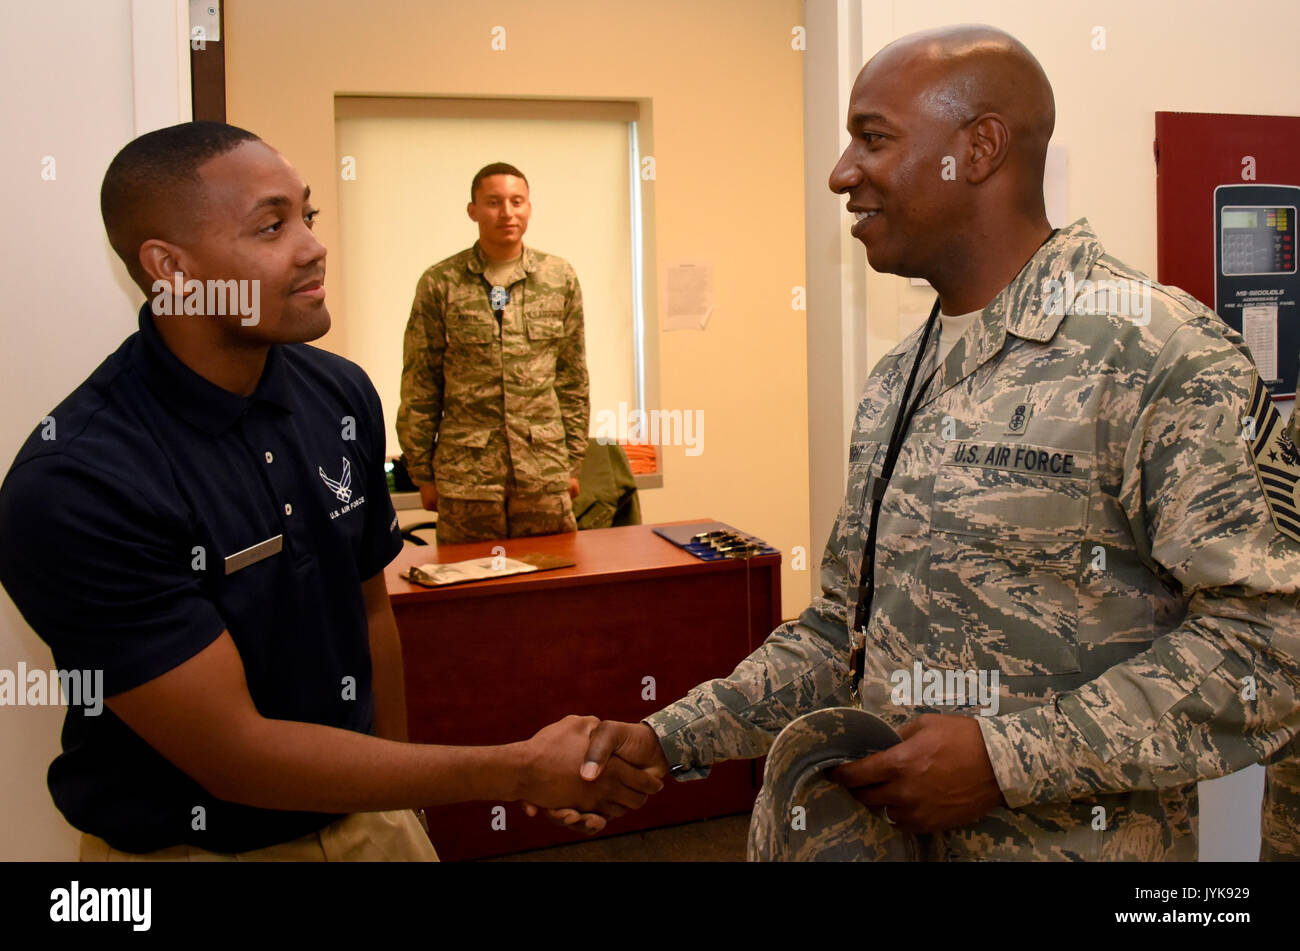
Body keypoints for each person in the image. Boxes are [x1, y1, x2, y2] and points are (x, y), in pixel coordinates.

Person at [542, 25, 1300, 860]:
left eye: (873, 138)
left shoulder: (1159, 353)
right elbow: (843, 630)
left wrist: (1008, 760)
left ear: (978, 148)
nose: (841, 173)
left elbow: (1269, 646)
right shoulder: (902, 374)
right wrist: (668, 737)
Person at [0, 122, 660, 861]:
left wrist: (403, 799)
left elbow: (370, 611)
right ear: (172, 268)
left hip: (367, 825)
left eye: (305, 216)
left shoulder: (338, 393)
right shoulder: (79, 482)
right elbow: (235, 753)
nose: (313, 245)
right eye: (271, 226)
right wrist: (509, 769)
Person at [397, 163, 589, 544]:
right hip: (467, 478)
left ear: (529, 207)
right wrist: (423, 473)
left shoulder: (559, 277)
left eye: (517, 202)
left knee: (552, 583)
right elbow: (421, 381)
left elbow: (572, 377)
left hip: (543, 471)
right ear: (473, 210)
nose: (507, 213)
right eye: (493, 202)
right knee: (465, 588)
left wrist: (571, 462)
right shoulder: (441, 282)